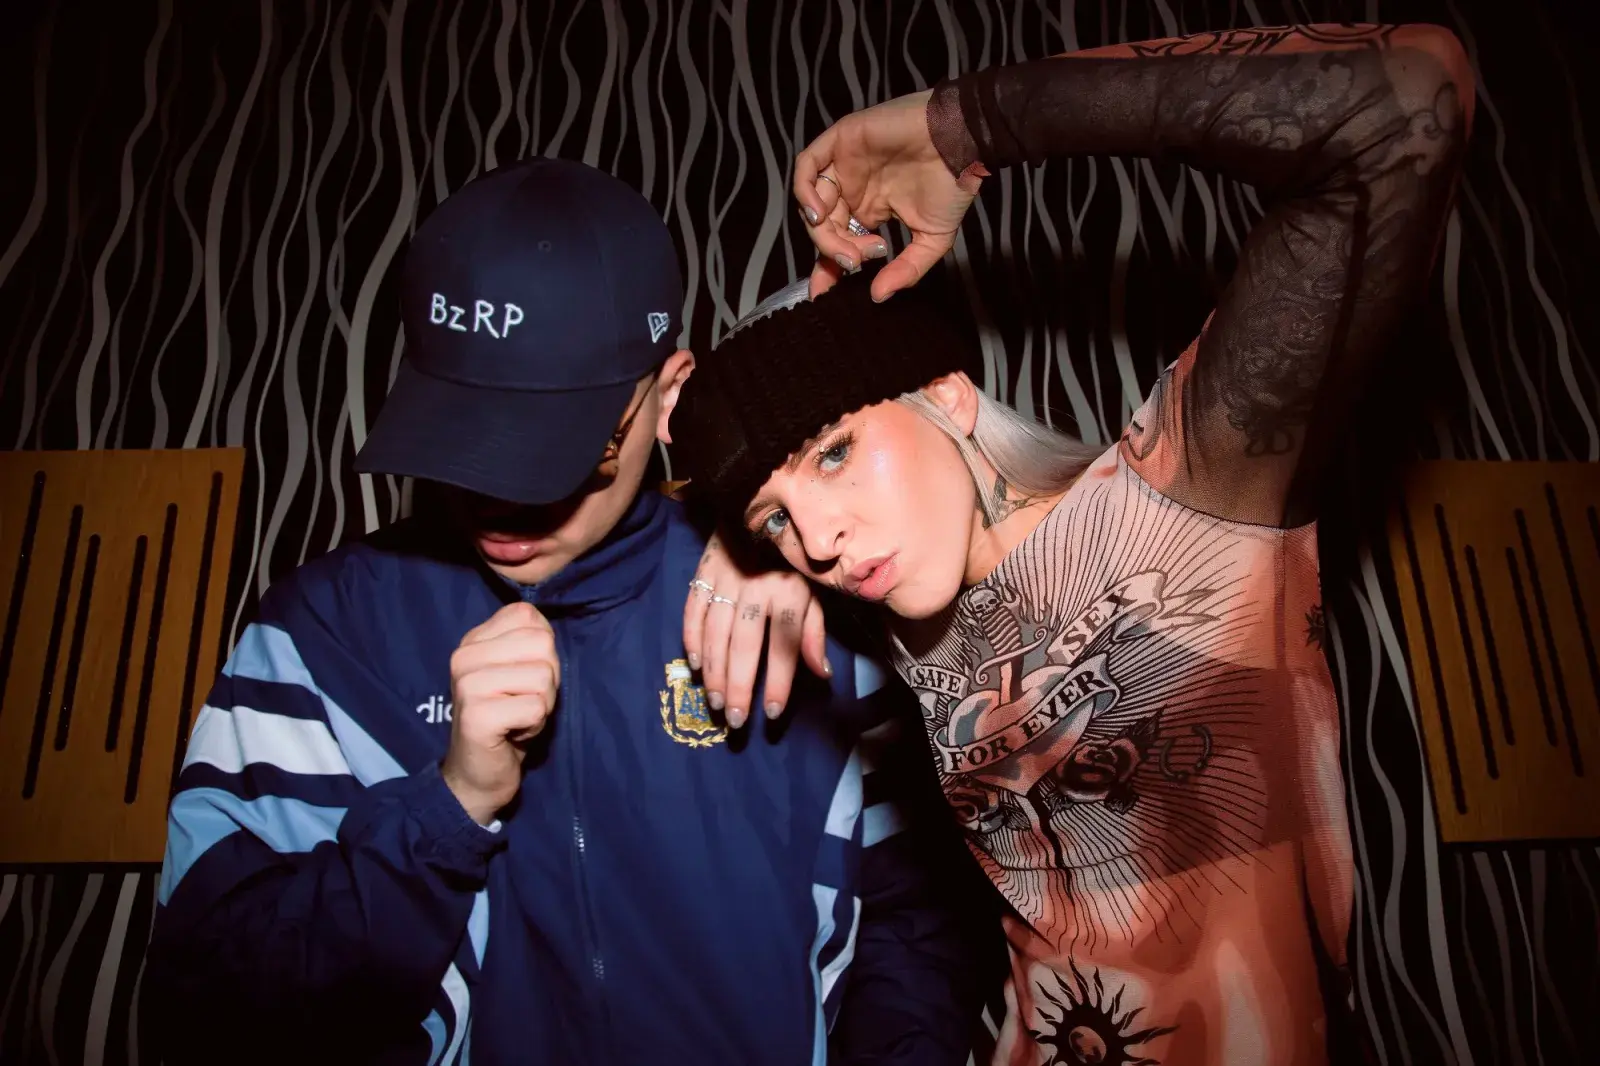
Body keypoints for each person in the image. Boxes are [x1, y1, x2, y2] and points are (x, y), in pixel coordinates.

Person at [666, 23, 1474, 1066]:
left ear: (950, 395)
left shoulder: (1184, 497)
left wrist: (968, 125)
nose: (817, 540)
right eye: (777, 519)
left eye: (834, 453)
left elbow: (1403, 97)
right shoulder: (905, 618)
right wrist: (738, 550)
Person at [142, 157, 990, 1066]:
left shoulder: (806, 583)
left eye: (561, 447)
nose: (501, 499)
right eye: (466, 434)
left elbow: (922, 909)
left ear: (668, 397)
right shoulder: (324, 637)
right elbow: (202, 1006)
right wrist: (447, 810)